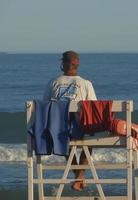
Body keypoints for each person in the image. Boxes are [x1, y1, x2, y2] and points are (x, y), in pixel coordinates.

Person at [43, 50, 96, 191]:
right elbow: (93, 108)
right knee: (89, 141)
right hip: (81, 128)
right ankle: (80, 177)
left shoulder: (53, 83)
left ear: (62, 64)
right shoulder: (85, 84)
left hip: (58, 130)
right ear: (77, 63)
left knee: (65, 144)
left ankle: (78, 178)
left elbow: (45, 106)